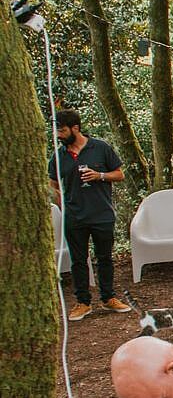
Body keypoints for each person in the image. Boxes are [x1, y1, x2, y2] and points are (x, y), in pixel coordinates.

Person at [47, 108, 131, 321]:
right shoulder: (59, 156)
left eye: (63, 130)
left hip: (101, 213)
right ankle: (83, 302)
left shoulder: (100, 148)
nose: (58, 135)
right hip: (74, 217)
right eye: (56, 131)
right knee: (77, 261)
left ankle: (108, 297)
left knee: (105, 258)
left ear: (75, 128)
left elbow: (120, 174)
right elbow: (53, 184)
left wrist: (100, 175)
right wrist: (61, 201)